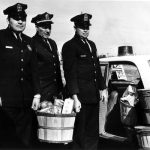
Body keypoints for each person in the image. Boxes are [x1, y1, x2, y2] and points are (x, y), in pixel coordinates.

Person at [62, 13, 108, 150]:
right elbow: (70, 74)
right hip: (80, 97)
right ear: (75, 27)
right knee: (79, 134)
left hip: (93, 96)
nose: (85, 30)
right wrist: (75, 97)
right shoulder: (69, 46)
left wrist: (103, 88)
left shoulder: (91, 45)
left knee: (92, 132)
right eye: (82, 27)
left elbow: (96, 69)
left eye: (87, 27)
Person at [0, 3, 41, 148]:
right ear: (8, 20)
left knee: (25, 141)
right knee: (7, 139)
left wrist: (37, 94)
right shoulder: (1, 38)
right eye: (16, 18)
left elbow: (34, 71)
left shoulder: (29, 42)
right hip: (6, 101)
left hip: (26, 101)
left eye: (23, 18)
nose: (20, 22)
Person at [31, 12, 63, 103]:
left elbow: (57, 69)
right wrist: (37, 95)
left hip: (55, 93)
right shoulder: (32, 43)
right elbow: (33, 73)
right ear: (36, 27)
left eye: (49, 27)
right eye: (44, 27)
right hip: (41, 94)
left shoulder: (52, 43)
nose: (48, 30)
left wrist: (60, 89)